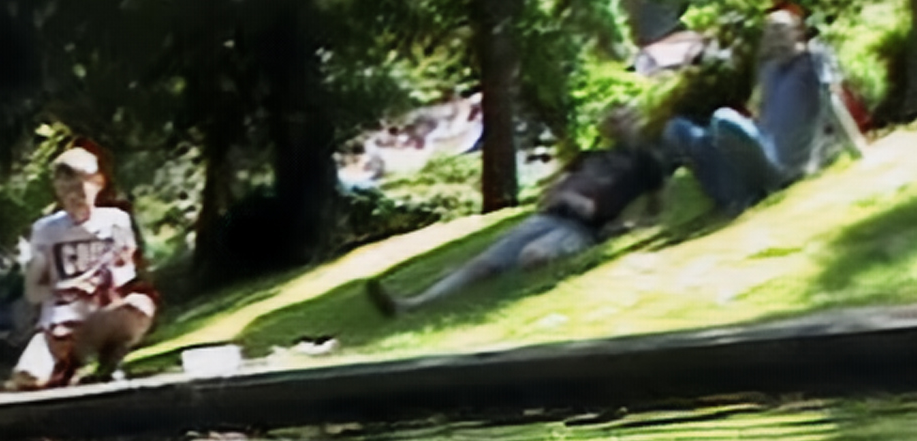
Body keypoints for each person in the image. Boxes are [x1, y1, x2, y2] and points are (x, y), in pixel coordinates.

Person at [367, 106, 678, 317]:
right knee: (482, 264)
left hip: (582, 229)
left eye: (624, 118)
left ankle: (519, 301)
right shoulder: (588, 156)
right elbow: (549, 192)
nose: (617, 124)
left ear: (636, 122)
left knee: (534, 257)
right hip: (549, 216)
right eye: (613, 119)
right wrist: (560, 194)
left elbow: (656, 214)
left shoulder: (645, 162)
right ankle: (411, 304)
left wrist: (622, 228)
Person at [661, 4, 869, 217]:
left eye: (781, 33)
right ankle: (735, 197)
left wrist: (858, 149)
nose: (775, 40)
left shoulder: (812, 59)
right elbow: (760, 114)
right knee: (678, 129)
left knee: (723, 119)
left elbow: (831, 101)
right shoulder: (768, 69)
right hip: (763, 153)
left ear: (797, 34)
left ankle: (739, 195)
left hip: (788, 167)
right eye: (770, 35)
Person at [9, 145, 158, 389]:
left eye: (81, 185)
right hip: (58, 324)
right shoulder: (45, 230)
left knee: (139, 306)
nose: (75, 195)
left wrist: (102, 285)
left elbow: (126, 273)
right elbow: (33, 290)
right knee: (27, 379)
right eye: (66, 188)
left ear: (98, 182)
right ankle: (66, 366)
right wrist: (64, 289)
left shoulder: (116, 221)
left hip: (99, 316)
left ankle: (110, 361)